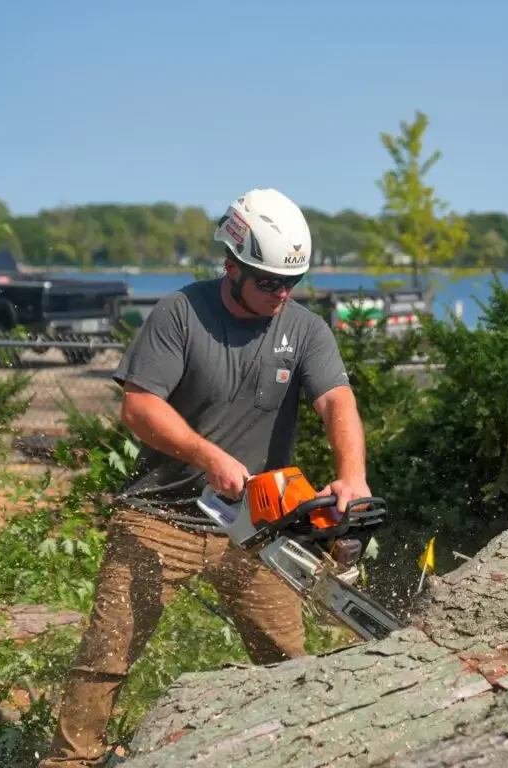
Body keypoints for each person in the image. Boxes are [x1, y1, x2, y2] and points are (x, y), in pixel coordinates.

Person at [39, 188, 370, 768]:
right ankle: (71, 761)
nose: (281, 293)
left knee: (285, 659)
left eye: (291, 281)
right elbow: (139, 408)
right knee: (106, 654)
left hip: (256, 526)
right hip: (159, 514)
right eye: (267, 281)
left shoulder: (306, 329)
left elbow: (337, 401)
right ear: (232, 266)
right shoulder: (181, 314)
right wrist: (207, 455)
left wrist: (352, 476)